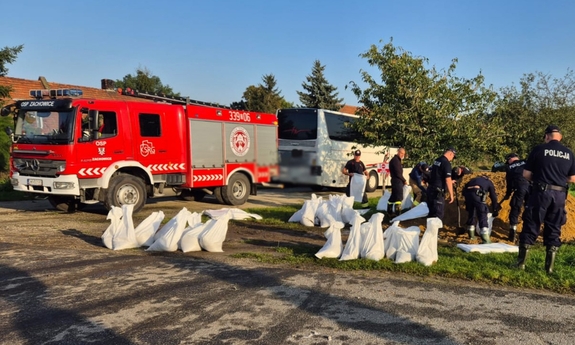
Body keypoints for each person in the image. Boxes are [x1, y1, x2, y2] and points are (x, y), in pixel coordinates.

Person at [515, 125, 575, 274]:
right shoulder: (569, 153)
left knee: (532, 223)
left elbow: (526, 174)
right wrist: (558, 180)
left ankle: (521, 264)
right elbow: (572, 178)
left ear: (547, 136)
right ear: (559, 137)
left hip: (541, 192)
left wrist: (541, 179)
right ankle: (549, 268)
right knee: (554, 227)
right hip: (560, 195)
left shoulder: (539, 149)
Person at [501, 153, 530, 242]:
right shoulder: (526, 161)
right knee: (530, 208)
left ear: (510, 159)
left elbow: (509, 183)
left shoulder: (509, 168)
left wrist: (508, 194)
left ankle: (512, 233)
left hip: (519, 188)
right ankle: (528, 231)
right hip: (531, 187)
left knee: (515, 208)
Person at [463, 175, 500, 243]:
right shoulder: (488, 182)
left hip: (467, 194)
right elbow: (493, 196)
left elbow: (464, 190)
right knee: (482, 213)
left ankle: (471, 235)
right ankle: (485, 238)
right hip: (477, 194)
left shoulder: (473, 180)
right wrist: (495, 208)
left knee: (471, 213)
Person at [426, 147, 457, 221]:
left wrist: (450, 181)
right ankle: (435, 232)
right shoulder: (446, 163)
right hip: (438, 193)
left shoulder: (437, 160)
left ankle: (431, 231)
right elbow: (447, 179)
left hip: (431, 190)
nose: (452, 159)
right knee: (438, 216)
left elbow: (438, 175)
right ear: (450, 153)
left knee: (432, 214)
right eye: (453, 157)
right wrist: (451, 195)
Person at [387, 148, 407, 216]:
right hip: (397, 181)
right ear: (398, 152)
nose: (402, 155)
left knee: (393, 197)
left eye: (403, 154)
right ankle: (398, 213)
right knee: (398, 197)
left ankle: (390, 212)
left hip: (395, 180)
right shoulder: (395, 161)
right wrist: (404, 180)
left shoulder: (397, 160)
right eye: (401, 153)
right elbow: (398, 173)